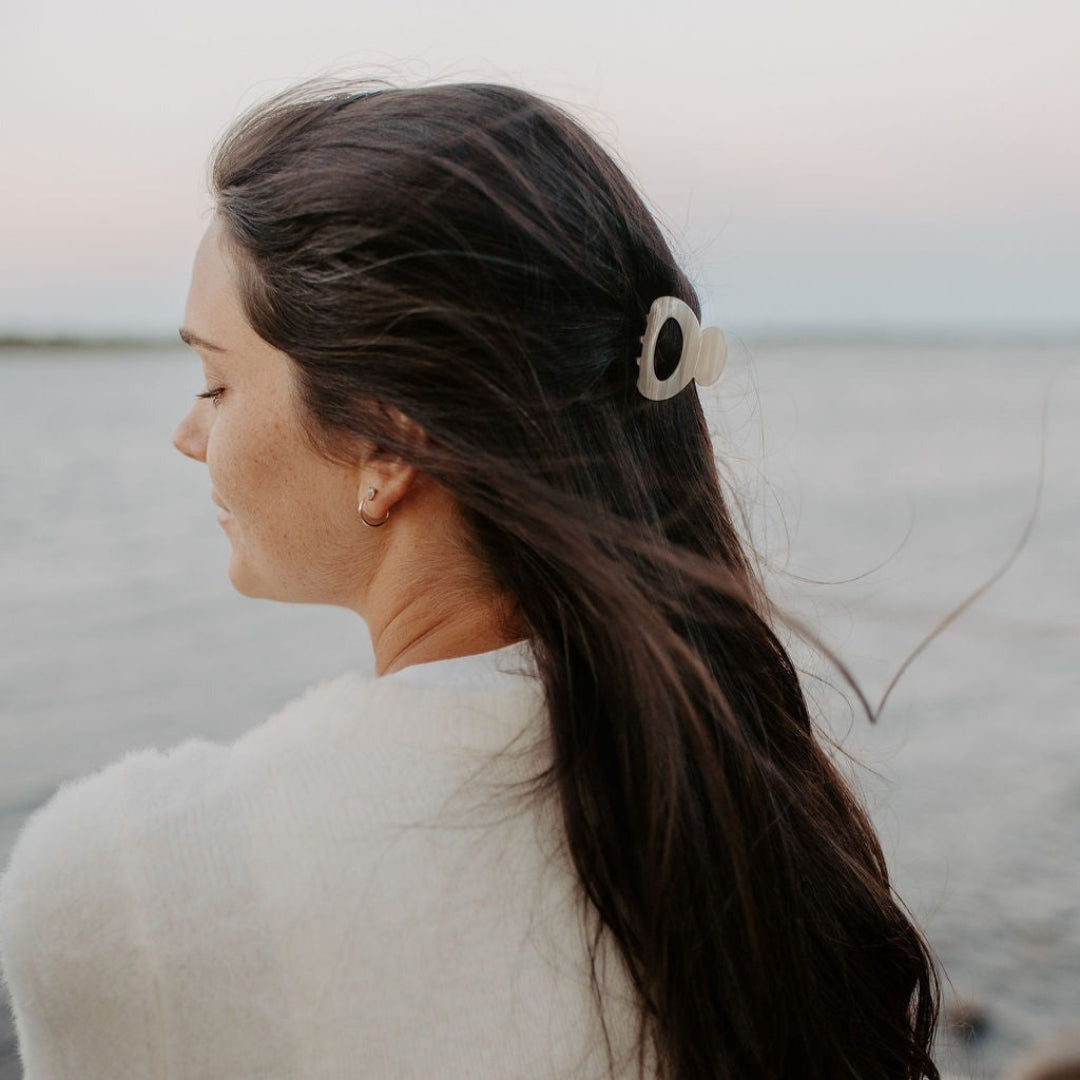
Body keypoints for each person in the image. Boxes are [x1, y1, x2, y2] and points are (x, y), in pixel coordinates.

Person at [0, 80, 941, 1079]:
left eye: (217, 383)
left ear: (385, 437)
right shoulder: (748, 820)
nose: (189, 436)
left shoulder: (126, 885)